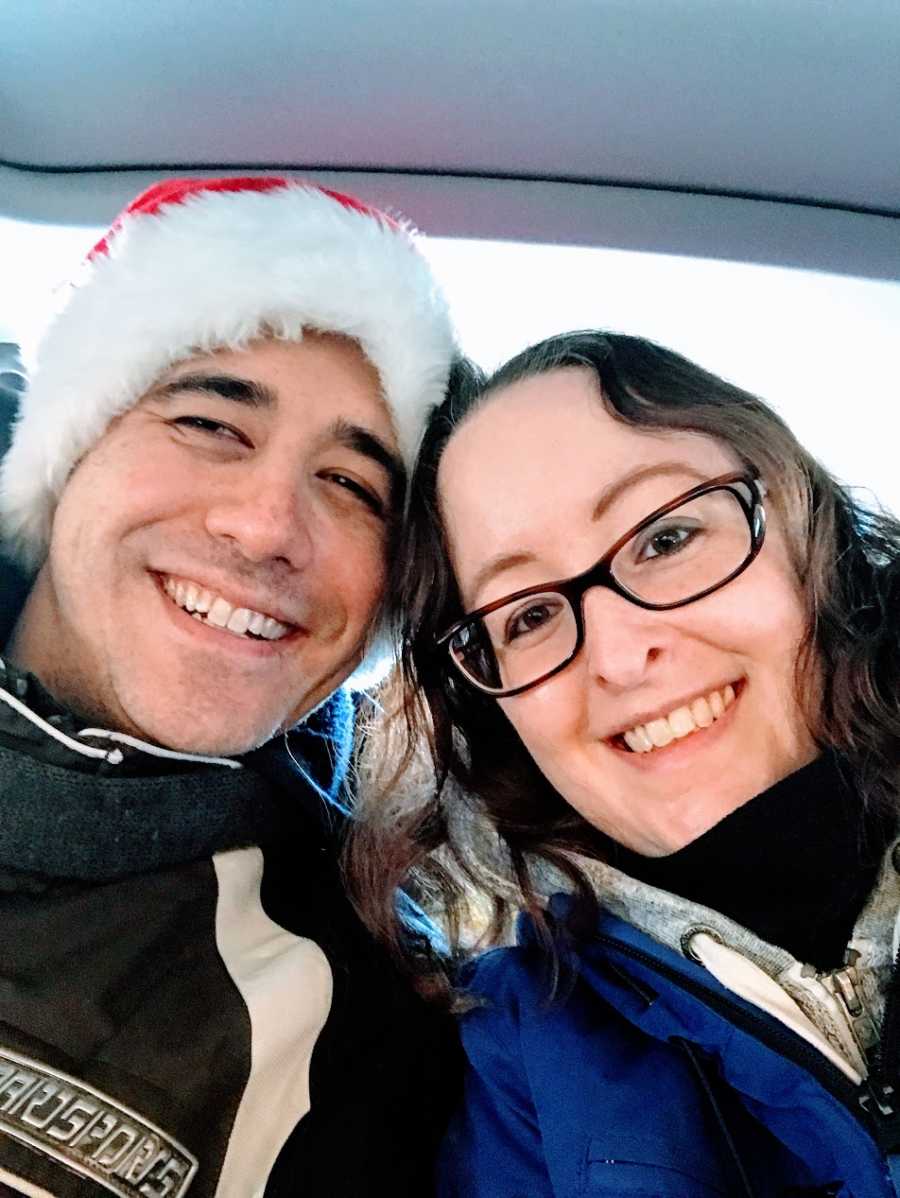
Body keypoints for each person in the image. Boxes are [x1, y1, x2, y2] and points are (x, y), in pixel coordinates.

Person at [353, 330, 900, 1195]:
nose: (614, 654)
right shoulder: (529, 1053)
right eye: (526, 615)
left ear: (809, 532)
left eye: (667, 537)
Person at [0, 175, 462, 1197]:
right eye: (211, 423)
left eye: (350, 484)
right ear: (68, 450)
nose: (264, 528)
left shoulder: (354, 1021)